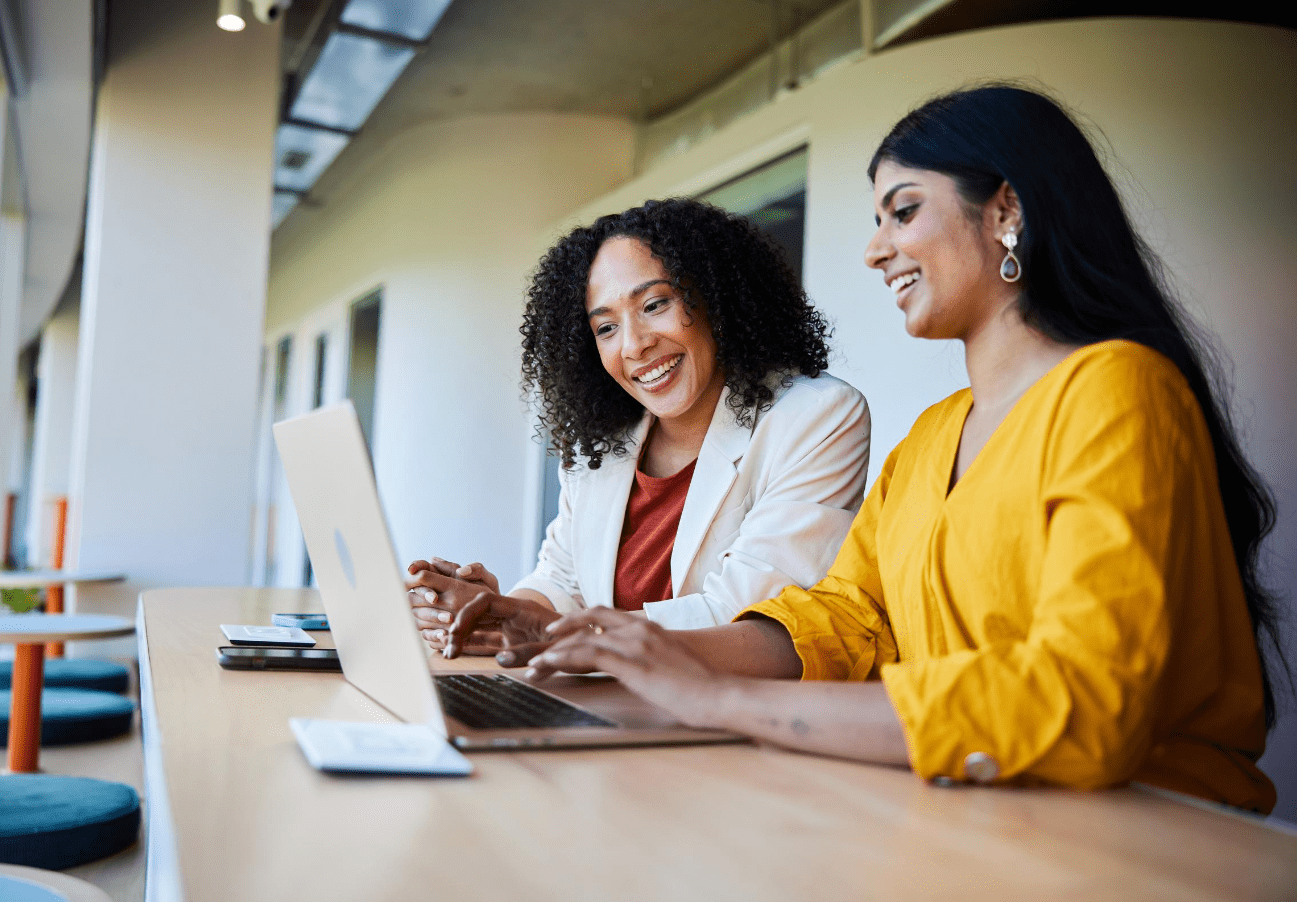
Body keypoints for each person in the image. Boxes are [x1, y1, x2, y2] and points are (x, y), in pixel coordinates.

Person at [514, 85, 1284, 813]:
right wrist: (643, 646)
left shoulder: (1117, 389)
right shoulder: (931, 438)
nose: (875, 251)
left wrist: (722, 699)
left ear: (1005, 210)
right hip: (965, 808)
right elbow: (841, 620)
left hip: (1149, 828)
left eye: (902, 212)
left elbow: (1083, 699)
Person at [407, 198, 871, 662]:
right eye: (605, 328)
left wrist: (555, 632)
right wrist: (496, 612)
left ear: (716, 296)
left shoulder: (817, 416)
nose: (634, 344)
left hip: (723, 720)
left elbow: (748, 616)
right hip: (603, 704)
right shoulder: (604, 443)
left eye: (654, 304)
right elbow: (561, 584)